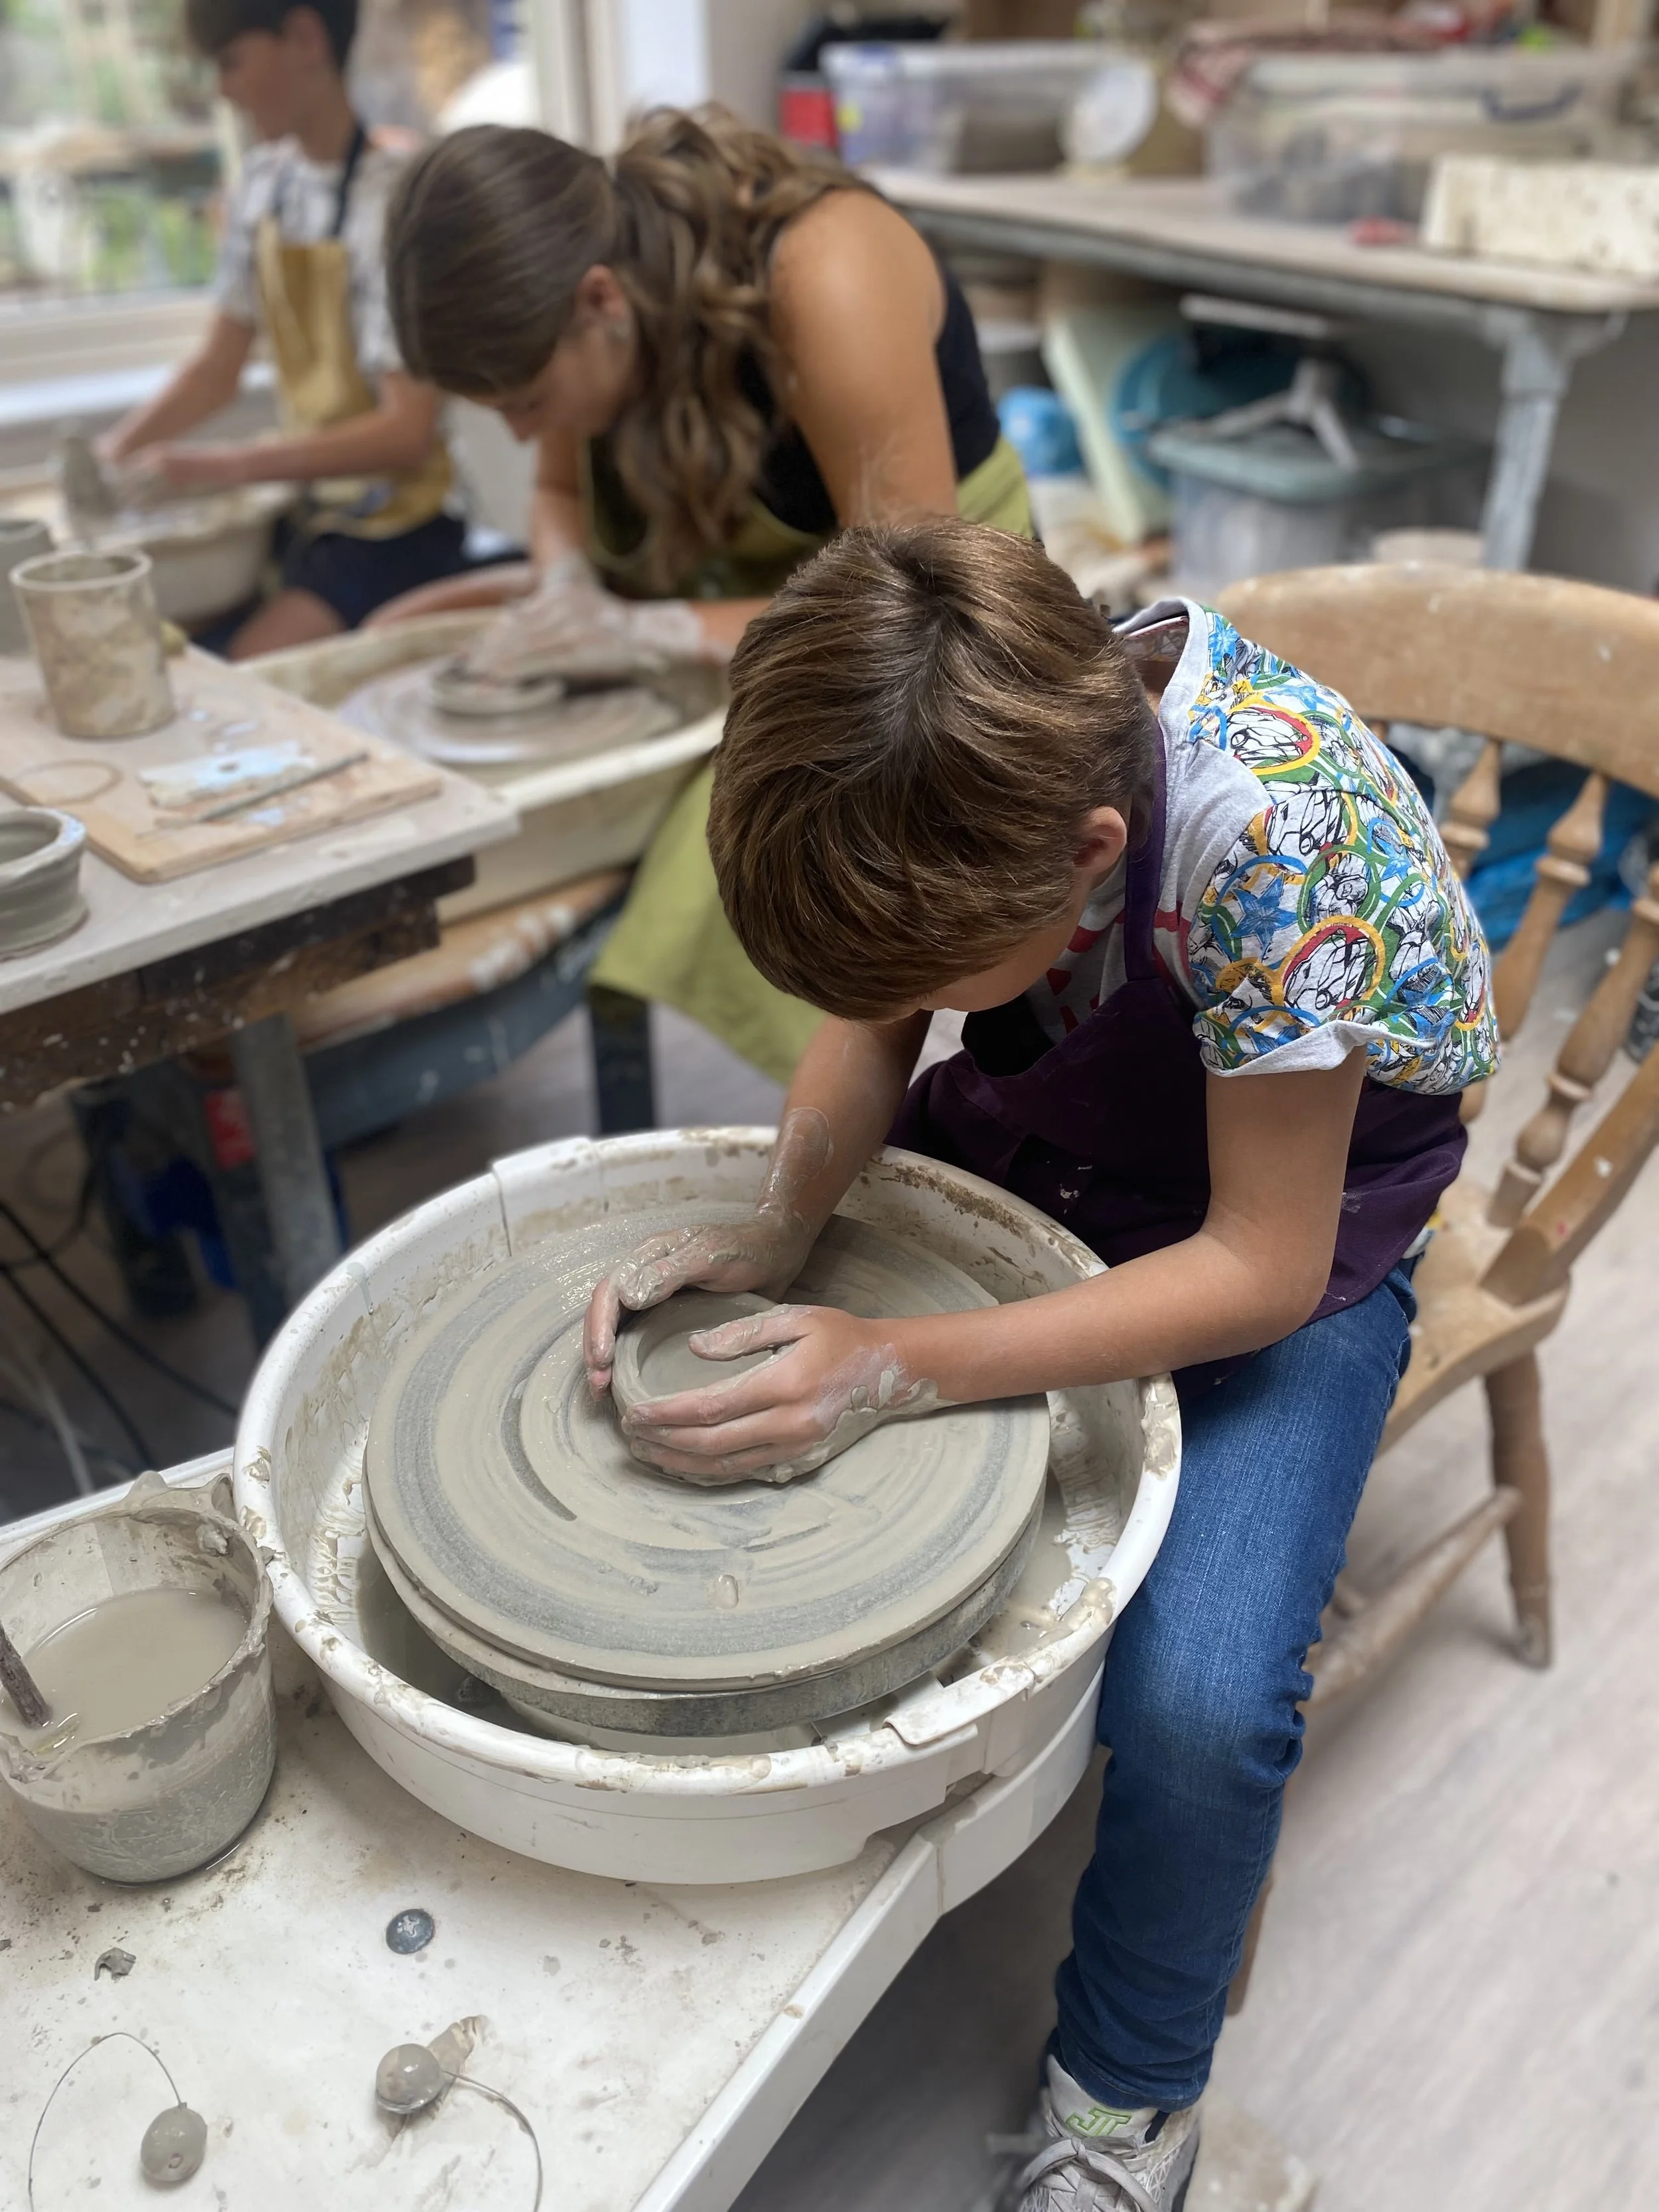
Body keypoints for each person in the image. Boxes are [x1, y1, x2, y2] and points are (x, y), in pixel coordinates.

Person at [582, 520, 1500, 2211]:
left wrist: (900, 1362)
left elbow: (1256, 1261)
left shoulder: (1283, 849)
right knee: (788, 1404)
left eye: (920, 967)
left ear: (1090, 860)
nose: (886, 997)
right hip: (1060, 1107)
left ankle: (1127, 2096)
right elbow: (877, 1012)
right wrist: (788, 1216)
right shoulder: (961, 730)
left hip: (1291, 1208)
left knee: (1204, 1701)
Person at [378, 110, 1031, 1082]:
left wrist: (648, 626)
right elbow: (559, 492)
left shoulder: (825, 271)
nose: (522, 434)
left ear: (601, 299)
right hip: (751, 602)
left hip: (927, 625)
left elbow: (905, 597)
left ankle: (837, 1123)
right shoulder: (578, 297)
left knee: (756, 859)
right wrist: (564, 581)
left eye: (523, 403)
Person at [99, 0, 467, 658]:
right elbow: (216, 369)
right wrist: (111, 458)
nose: (222, 89)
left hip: (397, 525)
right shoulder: (262, 187)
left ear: (304, 39)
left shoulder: (393, 201)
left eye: (231, 62)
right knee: (170, 646)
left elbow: (407, 434)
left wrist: (224, 466)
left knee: (240, 681)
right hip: (306, 513)